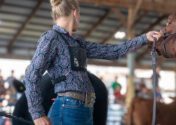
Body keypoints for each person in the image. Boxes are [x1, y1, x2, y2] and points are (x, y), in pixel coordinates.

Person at [23, 0, 162, 125]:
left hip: (84, 108)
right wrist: (37, 114)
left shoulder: (77, 43)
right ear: (75, 13)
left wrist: (144, 38)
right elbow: (31, 74)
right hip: (68, 108)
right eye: (80, 15)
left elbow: (113, 51)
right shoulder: (51, 37)